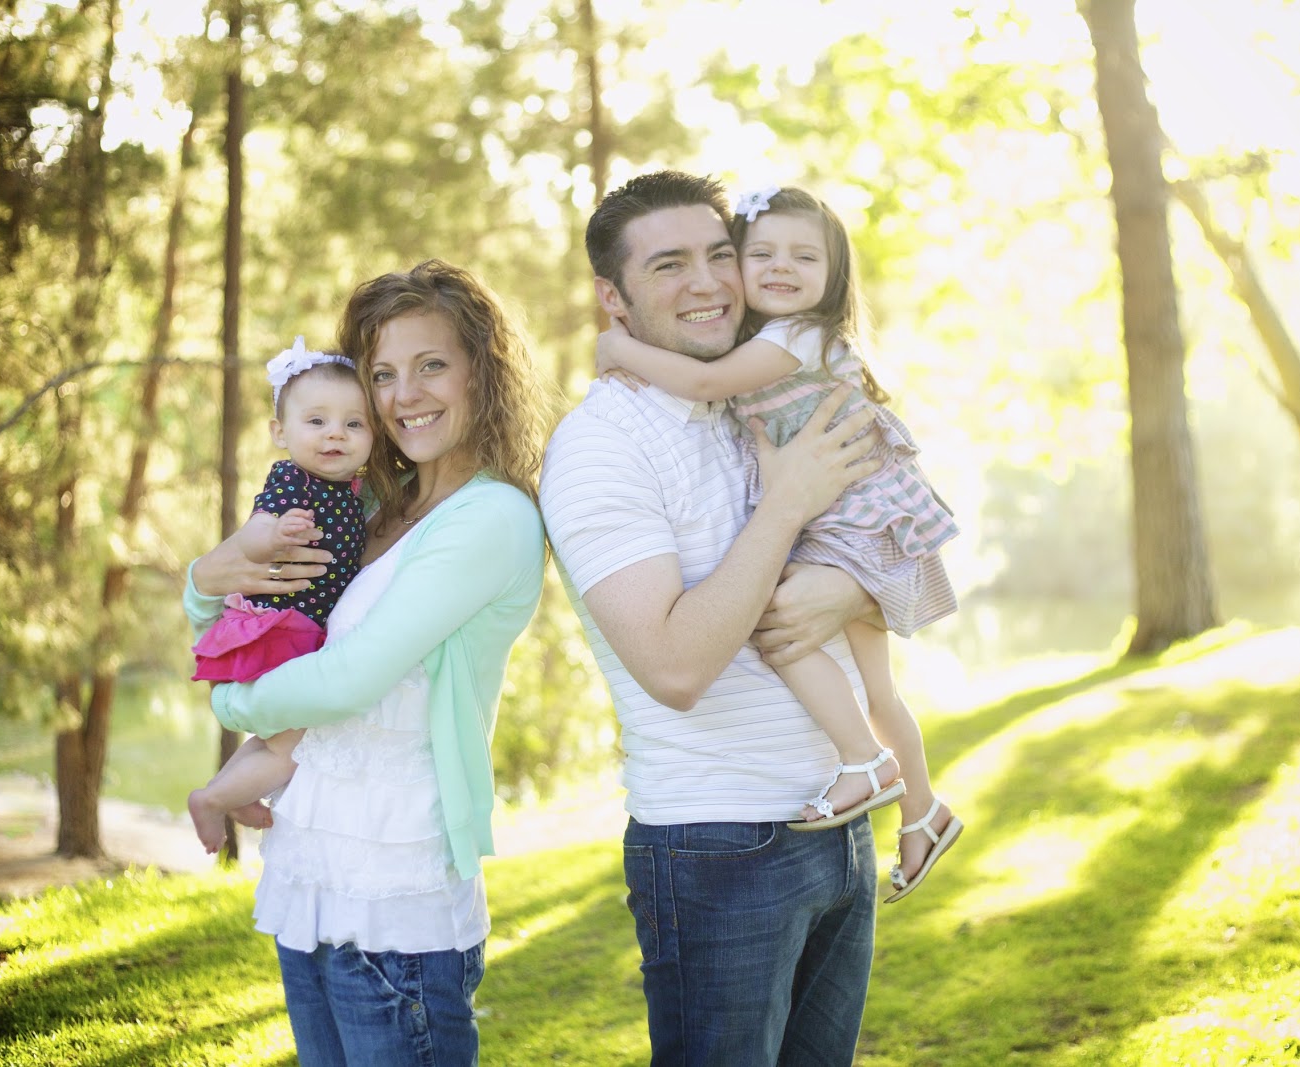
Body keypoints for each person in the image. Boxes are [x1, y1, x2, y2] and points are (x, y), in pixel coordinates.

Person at [540, 170, 890, 1066]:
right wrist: (785, 508)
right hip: (719, 847)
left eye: (718, 255)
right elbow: (674, 668)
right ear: (612, 298)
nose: (707, 282)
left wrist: (848, 586)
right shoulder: (600, 446)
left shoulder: (754, 398)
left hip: (834, 822)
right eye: (669, 266)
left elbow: (884, 540)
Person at [183, 259, 549, 1066]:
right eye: (382, 373)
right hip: (313, 867)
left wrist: (232, 704)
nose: (404, 393)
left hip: (399, 890)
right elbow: (252, 604)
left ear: (482, 374)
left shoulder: (492, 515)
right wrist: (203, 578)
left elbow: (351, 678)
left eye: (431, 366)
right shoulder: (376, 509)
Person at [593, 184, 963, 902]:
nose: (780, 267)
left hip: (847, 515)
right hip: (847, 511)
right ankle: (922, 809)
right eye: (760, 253)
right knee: (878, 686)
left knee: (782, 630)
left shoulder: (793, 338)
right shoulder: (767, 339)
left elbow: (702, 381)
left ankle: (864, 760)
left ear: (835, 272)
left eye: (803, 255)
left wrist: (620, 347)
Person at [187, 338, 373, 854]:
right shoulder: (293, 480)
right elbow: (252, 535)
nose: (335, 432)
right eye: (316, 421)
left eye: (353, 424)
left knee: (279, 738)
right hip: (280, 629)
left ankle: (235, 795)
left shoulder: (354, 490)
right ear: (280, 433)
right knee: (292, 747)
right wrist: (272, 537)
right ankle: (211, 800)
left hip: (301, 632)